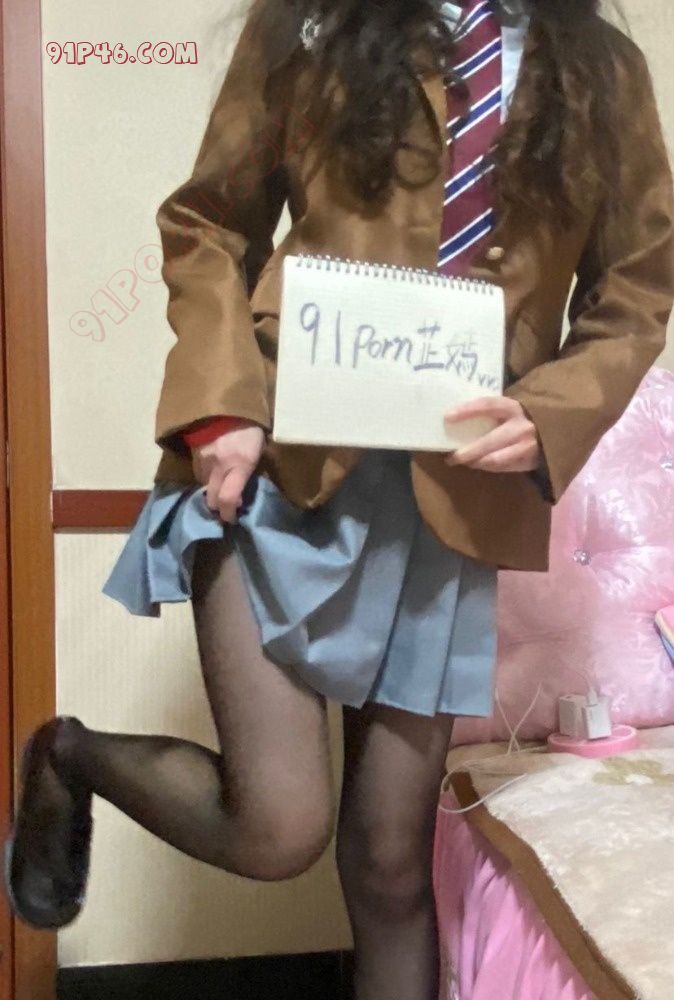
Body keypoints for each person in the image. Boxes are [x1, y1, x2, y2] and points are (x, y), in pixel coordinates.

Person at [6, 1, 674, 998]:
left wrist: (555, 411)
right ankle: (69, 756)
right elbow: (207, 223)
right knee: (277, 830)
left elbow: (635, 289)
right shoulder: (309, 25)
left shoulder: (603, 70)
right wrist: (222, 406)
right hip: (280, 464)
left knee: (390, 862)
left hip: (453, 504)